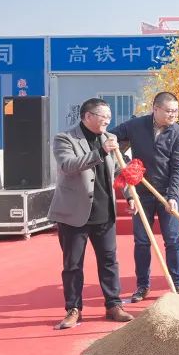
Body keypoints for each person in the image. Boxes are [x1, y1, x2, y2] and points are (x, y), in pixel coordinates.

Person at [48, 98, 131, 330]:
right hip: (74, 213)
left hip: (104, 211)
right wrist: (100, 152)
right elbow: (68, 165)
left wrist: (130, 196)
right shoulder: (65, 138)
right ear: (87, 116)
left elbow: (120, 172)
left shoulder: (109, 139)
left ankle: (113, 304)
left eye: (109, 117)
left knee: (109, 261)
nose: (108, 121)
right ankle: (73, 309)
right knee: (73, 264)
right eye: (103, 116)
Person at [108, 92, 179, 301]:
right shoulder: (136, 125)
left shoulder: (177, 133)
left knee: (172, 240)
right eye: (169, 111)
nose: (173, 115)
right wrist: (116, 148)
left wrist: (173, 196)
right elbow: (110, 136)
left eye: (176, 111)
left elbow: (178, 167)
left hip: (166, 193)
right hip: (141, 192)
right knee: (142, 241)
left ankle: (178, 283)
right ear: (156, 109)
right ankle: (142, 286)